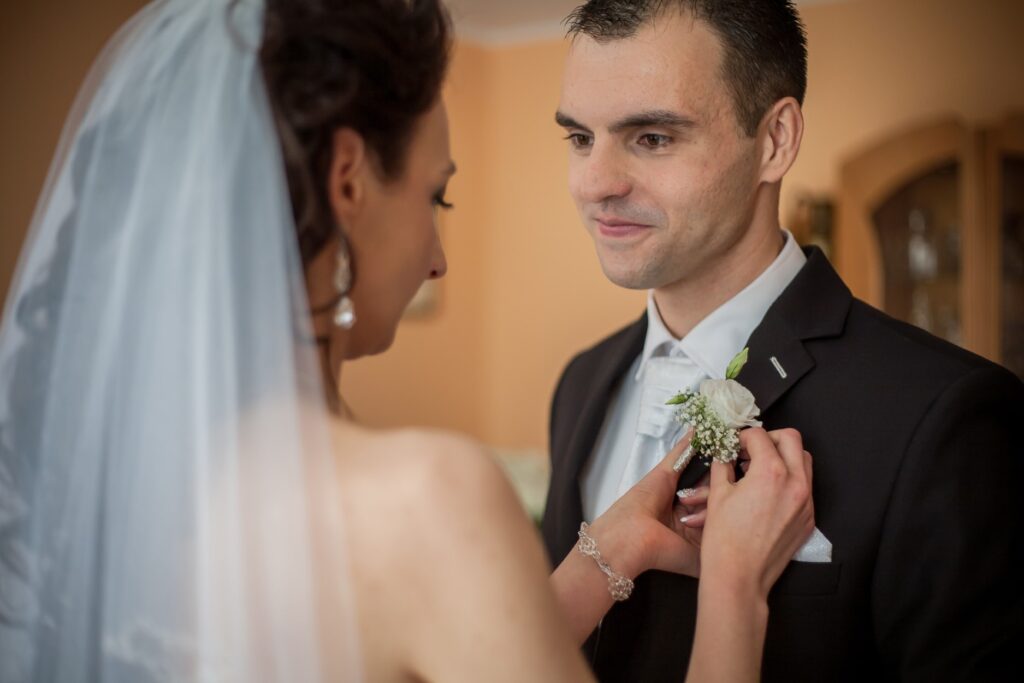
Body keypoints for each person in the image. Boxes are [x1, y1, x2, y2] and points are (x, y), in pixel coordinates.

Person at [0, 0, 814, 681]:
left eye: (653, 137)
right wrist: (737, 588)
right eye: (437, 197)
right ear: (348, 182)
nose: (438, 257)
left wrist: (608, 550)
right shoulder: (429, 497)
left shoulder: (106, 480)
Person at [543, 1, 1024, 681]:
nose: (594, 183)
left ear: (775, 139)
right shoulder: (580, 384)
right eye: (579, 138)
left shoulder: (945, 415)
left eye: (651, 137)